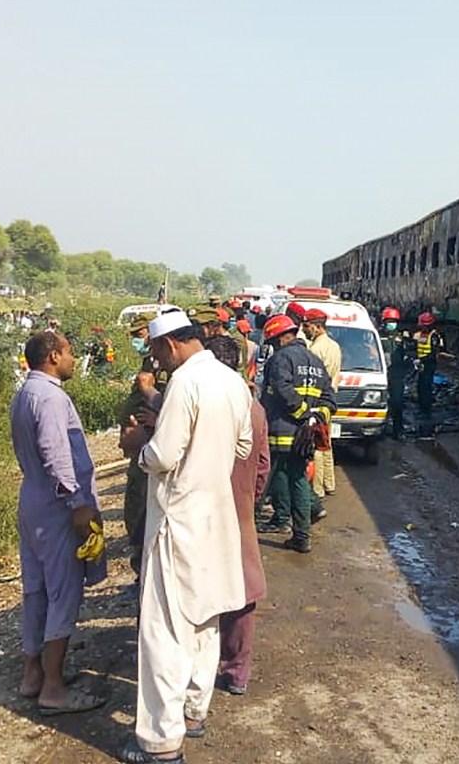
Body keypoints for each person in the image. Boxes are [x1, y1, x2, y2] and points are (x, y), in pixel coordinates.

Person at [117, 311, 253, 763]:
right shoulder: (232, 381)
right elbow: (242, 447)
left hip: (179, 520)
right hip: (217, 518)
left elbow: (164, 454)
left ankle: (160, 742)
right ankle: (194, 713)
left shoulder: (184, 383)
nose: (156, 362)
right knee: (205, 619)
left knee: (164, 630)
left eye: (156, 352)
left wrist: (141, 444)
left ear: (170, 345)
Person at [9, 331, 106, 716]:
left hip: (33, 499)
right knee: (62, 592)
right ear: (53, 356)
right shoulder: (50, 397)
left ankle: (32, 674)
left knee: (36, 590)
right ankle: (53, 686)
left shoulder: (25, 393)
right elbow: (55, 453)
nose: (72, 359)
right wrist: (78, 503)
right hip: (56, 506)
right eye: (68, 353)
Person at [202, 336, 270, 697]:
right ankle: (236, 670)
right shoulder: (253, 408)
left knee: (198, 588)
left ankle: (197, 667)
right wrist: (249, 500)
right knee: (242, 594)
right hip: (240, 509)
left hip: (202, 510)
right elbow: (262, 466)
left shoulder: (199, 402)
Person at [256, 314, 335, 553]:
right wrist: (314, 417)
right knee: (295, 477)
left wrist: (302, 412)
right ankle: (298, 531)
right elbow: (330, 400)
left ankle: (291, 527)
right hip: (305, 435)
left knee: (284, 476)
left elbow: (281, 389)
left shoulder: (281, 358)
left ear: (279, 338)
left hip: (281, 430)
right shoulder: (315, 361)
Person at [117, 314, 166, 578]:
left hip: (150, 442)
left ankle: (143, 569)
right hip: (141, 441)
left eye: (140, 334)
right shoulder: (150, 361)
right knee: (135, 504)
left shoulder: (162, 366)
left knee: (140, 506)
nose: (137, 339)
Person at [303, 308, 341, 499]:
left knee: (317, 445)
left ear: (317, 327)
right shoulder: (335, 346)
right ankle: (329, 483)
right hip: (330, 400)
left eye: (307, 326)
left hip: (317, 402)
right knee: (326, 443)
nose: (305, 330)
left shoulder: (315, 350)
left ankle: (317, 488)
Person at [379, 308, 411, 439]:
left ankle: (398, 430)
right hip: (383, 373)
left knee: (397, 402)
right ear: (384, 322)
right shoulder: (378, 335)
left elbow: (409, 353)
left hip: (397, 373)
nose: (392, 324)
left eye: (394, 321)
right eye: (389, 321)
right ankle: (382, 427)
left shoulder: (402, 337)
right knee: (381, 402)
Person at [412, 312, 444, 427]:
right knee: (420, 387)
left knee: (426, 388)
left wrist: (422, 360)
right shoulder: (419, 334)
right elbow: (415, 347)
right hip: (421, 364)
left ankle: (427, 412)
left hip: (429, 364)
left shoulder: (434, 336)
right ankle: (421, 409)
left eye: (424, 325)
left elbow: (434, 353)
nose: (422, 327)